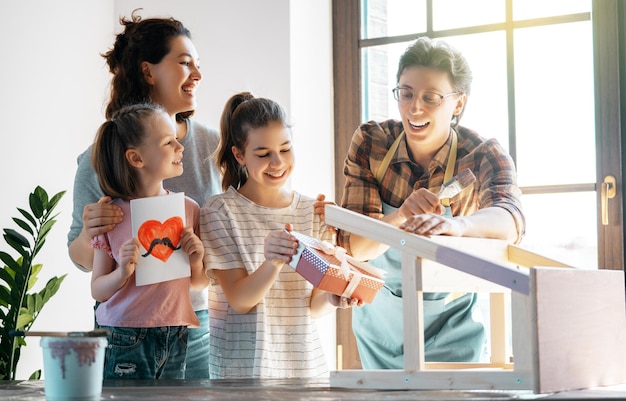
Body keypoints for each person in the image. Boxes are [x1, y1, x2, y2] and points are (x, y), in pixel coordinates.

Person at [338, 36, 526, 369]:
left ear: (457, 103)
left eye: (431, 97)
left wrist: (458, 225)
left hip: (452, 327)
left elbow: (511, 220)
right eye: (406, 93)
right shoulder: (371, 142)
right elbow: (356, 247)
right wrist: (399, 219)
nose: (415, 108)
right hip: (380, 327)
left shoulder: (482, 154)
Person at [67, 10, 220, 378]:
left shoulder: (213, 145)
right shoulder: (102, 156)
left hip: (193, 323)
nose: (197, 75)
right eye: (184, 63)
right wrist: (91, 233)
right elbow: (81, 258)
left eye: (198, 64)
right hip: (125, 325)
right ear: (148, 71)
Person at [200, 92, 360, 379]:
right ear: (239, 155)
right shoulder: (220, 211)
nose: (277, 162)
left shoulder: (315, 211)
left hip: (305, 370)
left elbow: (312, 305)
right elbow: (240, 300)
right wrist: (272, 261)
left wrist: (335, 299)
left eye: (285, 149)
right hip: (242, 374)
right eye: (263, 154)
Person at [90, 103, 207, 379]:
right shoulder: (111, 214)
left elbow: (199, 283)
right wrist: (122, 272)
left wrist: (197, 259)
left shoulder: (189, 209)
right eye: (168, 142)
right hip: (125, 334)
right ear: (136, 158)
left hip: (176, 333)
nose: (180, 147)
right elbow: (98, 290)